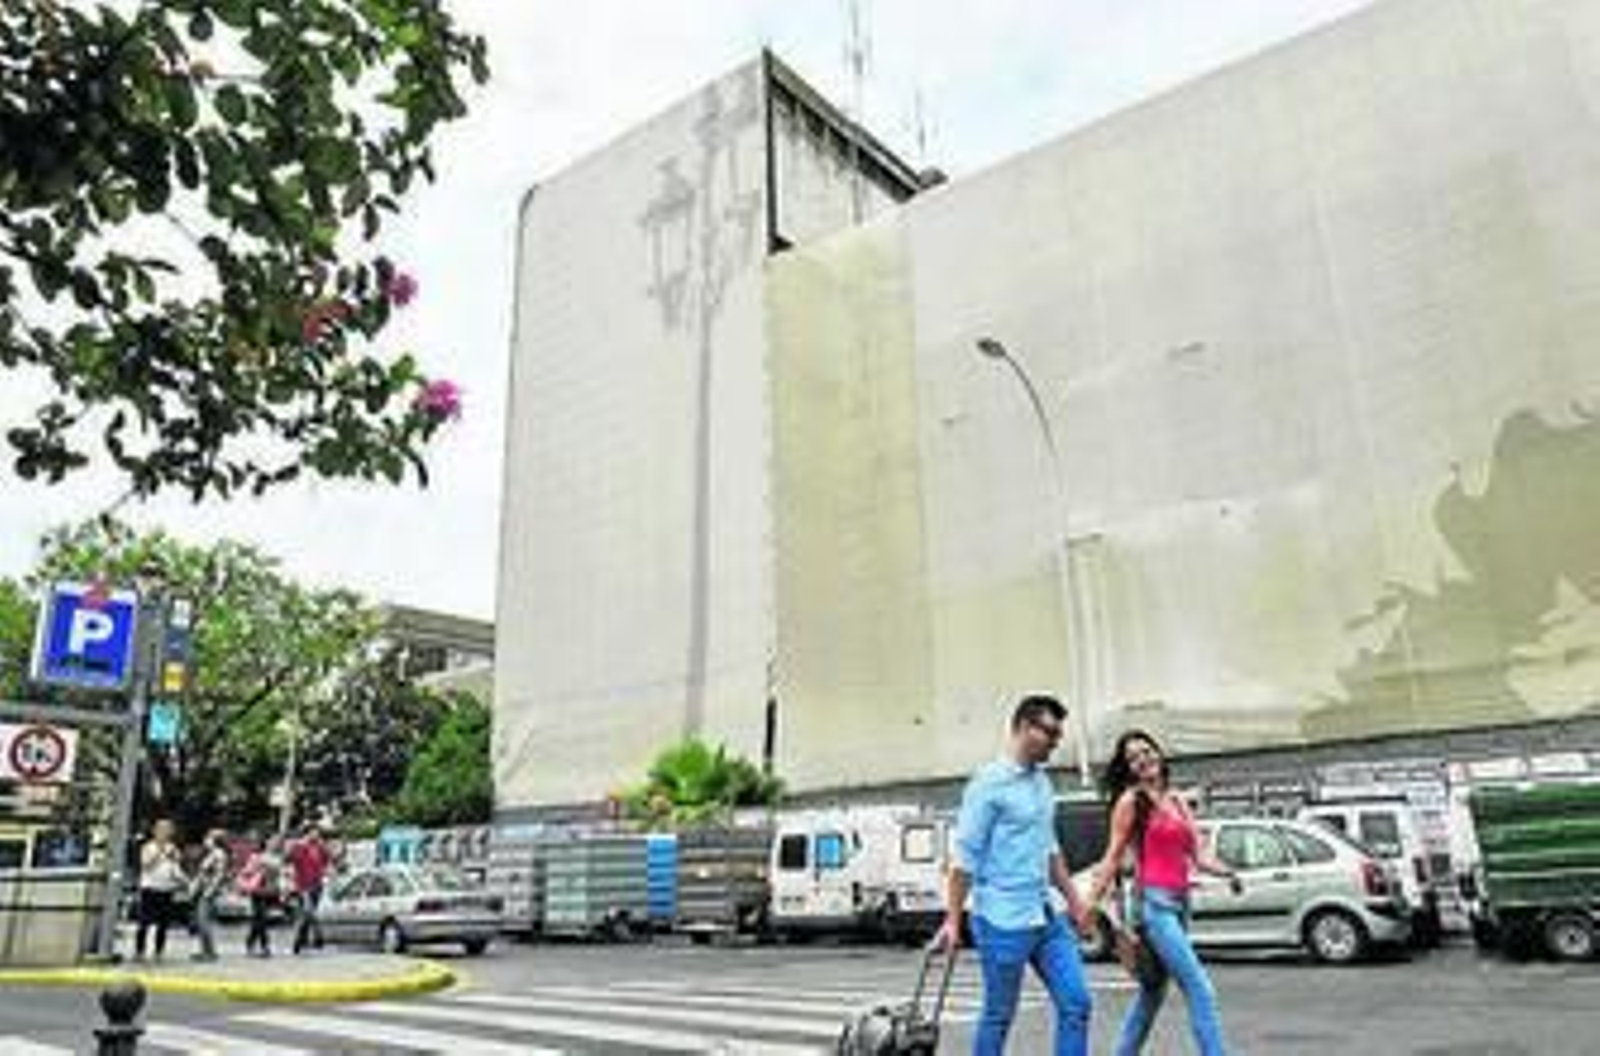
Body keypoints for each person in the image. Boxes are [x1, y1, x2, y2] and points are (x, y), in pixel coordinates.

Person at [933, 694, 1094, 1056]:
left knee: (1077, 1003)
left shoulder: (1042, 783)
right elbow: (965, 858)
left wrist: (1074, 901)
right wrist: (953, 921)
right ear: (1023, 727)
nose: (1056, 742)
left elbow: (1049, 849)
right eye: (1050, 733)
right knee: (999, 1016)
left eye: (1058, 735)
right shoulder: (988, 785)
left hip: (1044, 916)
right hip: (1001, 920)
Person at [1085, 730, 1243, 1056]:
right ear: (1128, 768)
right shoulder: (1131, 802)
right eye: (1133, 757)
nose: (1143, 759)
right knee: (1200, 988)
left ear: (1159, 753)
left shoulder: (1177, 800)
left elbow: (1198, 856)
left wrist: (1229, 872)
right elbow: (1113, 856)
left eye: (1147, 751)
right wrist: (1088, 904)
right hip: (1154, 906)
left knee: (1153, 991)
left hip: (1181, 902)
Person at [135, 819, 186, 961]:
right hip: (150, 888)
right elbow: (146, 865)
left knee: (163, 923)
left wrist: (182, 881)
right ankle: (139, 951)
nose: (164, 833)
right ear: (155, 831)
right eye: (161, 829)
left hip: (166, 889)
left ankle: (159, 951)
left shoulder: (174, 848)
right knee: (144, 922)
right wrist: (160, 853)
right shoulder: (147, 847)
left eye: (168, 830)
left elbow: (176, 868)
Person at [286, 824, 332, 954]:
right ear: (306, 834)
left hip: (317, 884)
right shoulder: (299, 847)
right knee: (309, 910)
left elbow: (328, 861)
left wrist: (327, 872)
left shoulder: (321, 848)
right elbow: (289, 859)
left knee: (306, 915)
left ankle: (300, 941)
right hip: (302, 885)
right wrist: (298, 846)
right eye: (313, 833)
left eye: (317, 833)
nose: (315, 835)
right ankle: (318, 936)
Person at [238, 834, 284, 958]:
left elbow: (279, 873)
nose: (275, 844)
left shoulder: (276, 857)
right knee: (261, 918)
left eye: (276, 842)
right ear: (266, 842)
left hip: (269, 890)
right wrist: (259, 866)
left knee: (258, 919)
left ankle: (250, 943)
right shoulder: (256, 856)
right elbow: (247, 871)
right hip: (257, 890)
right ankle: (265, 946)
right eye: (272, 841)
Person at [189, 829, 230, 962]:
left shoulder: (218, 854)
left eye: (209, 837)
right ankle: (205, 950)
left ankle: (209, 952)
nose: (206, 840)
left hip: (208, 892)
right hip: (205, 891)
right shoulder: (213, 854)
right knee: (202, 921)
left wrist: (209, 891)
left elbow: (219, 875)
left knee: (204, 922)